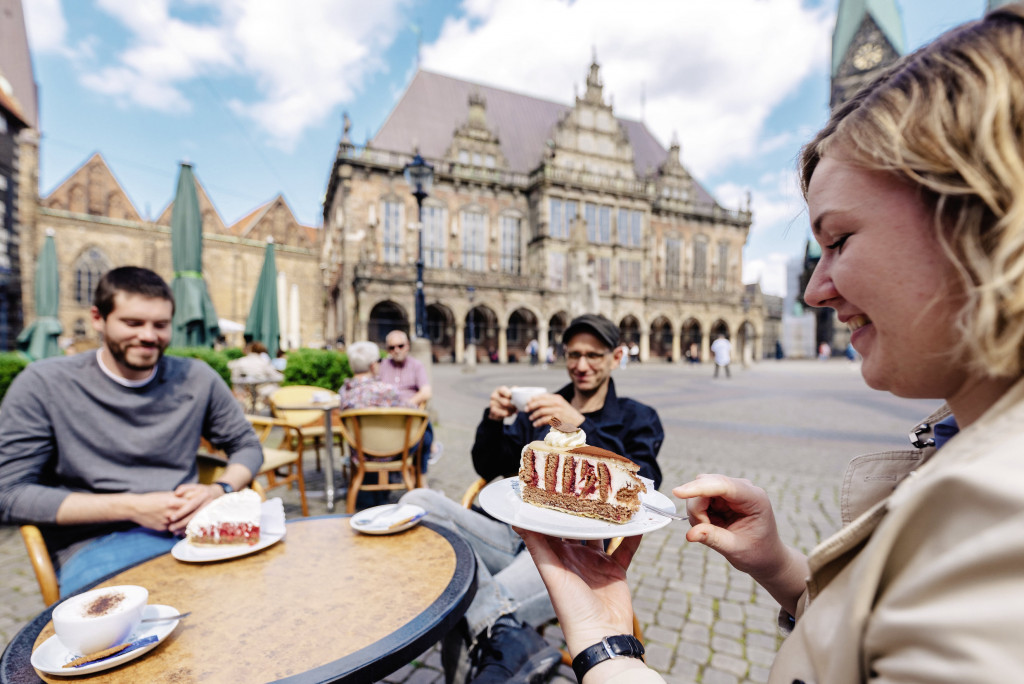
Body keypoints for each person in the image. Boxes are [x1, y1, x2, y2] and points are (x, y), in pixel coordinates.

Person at [517, 7, 1024, 682]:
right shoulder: (965, 445)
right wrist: (781, 567)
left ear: (982, 216)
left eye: (839, 239)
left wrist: (602, 643)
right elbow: (871, 642)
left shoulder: (998, 526)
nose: (814, 290)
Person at [401, 313, 663, 684]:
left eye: (594, 355)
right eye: (573, 354)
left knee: (458, 606)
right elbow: (489, 465)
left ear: (616, 357)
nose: (581, 365)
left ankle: (486, 620)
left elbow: (646, 484)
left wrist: (583, 428)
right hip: (510, 531)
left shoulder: (639, 417)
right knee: (417, 500)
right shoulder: (544, 407)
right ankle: (499, 622)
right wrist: (493, 420)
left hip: (570, 552)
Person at [0, 267, 262, 597]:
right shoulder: (44, 384)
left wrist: (219, 489)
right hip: (96, 543)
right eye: (133, 323)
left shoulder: (196, 378)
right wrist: (133, 507)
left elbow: (246, 445)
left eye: (161, 325)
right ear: (98, 318)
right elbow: (8, 494)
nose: (149, 336)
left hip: (195, 532)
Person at [379, 329, 437, 467]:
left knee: (424, 435)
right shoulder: (383, 366)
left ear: (408, 346)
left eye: (400, 346)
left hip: (410, 414)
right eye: (392, 347)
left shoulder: (416, 365)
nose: (397, 350)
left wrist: (408, 403)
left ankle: (421, 477)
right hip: (388, 415)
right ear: (387, 349)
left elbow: (426, 392)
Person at [337, 341, 406, 410]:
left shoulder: (343, 392)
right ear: (373, 365)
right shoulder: (387, 391)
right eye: (379, 360)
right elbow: (409, 411)